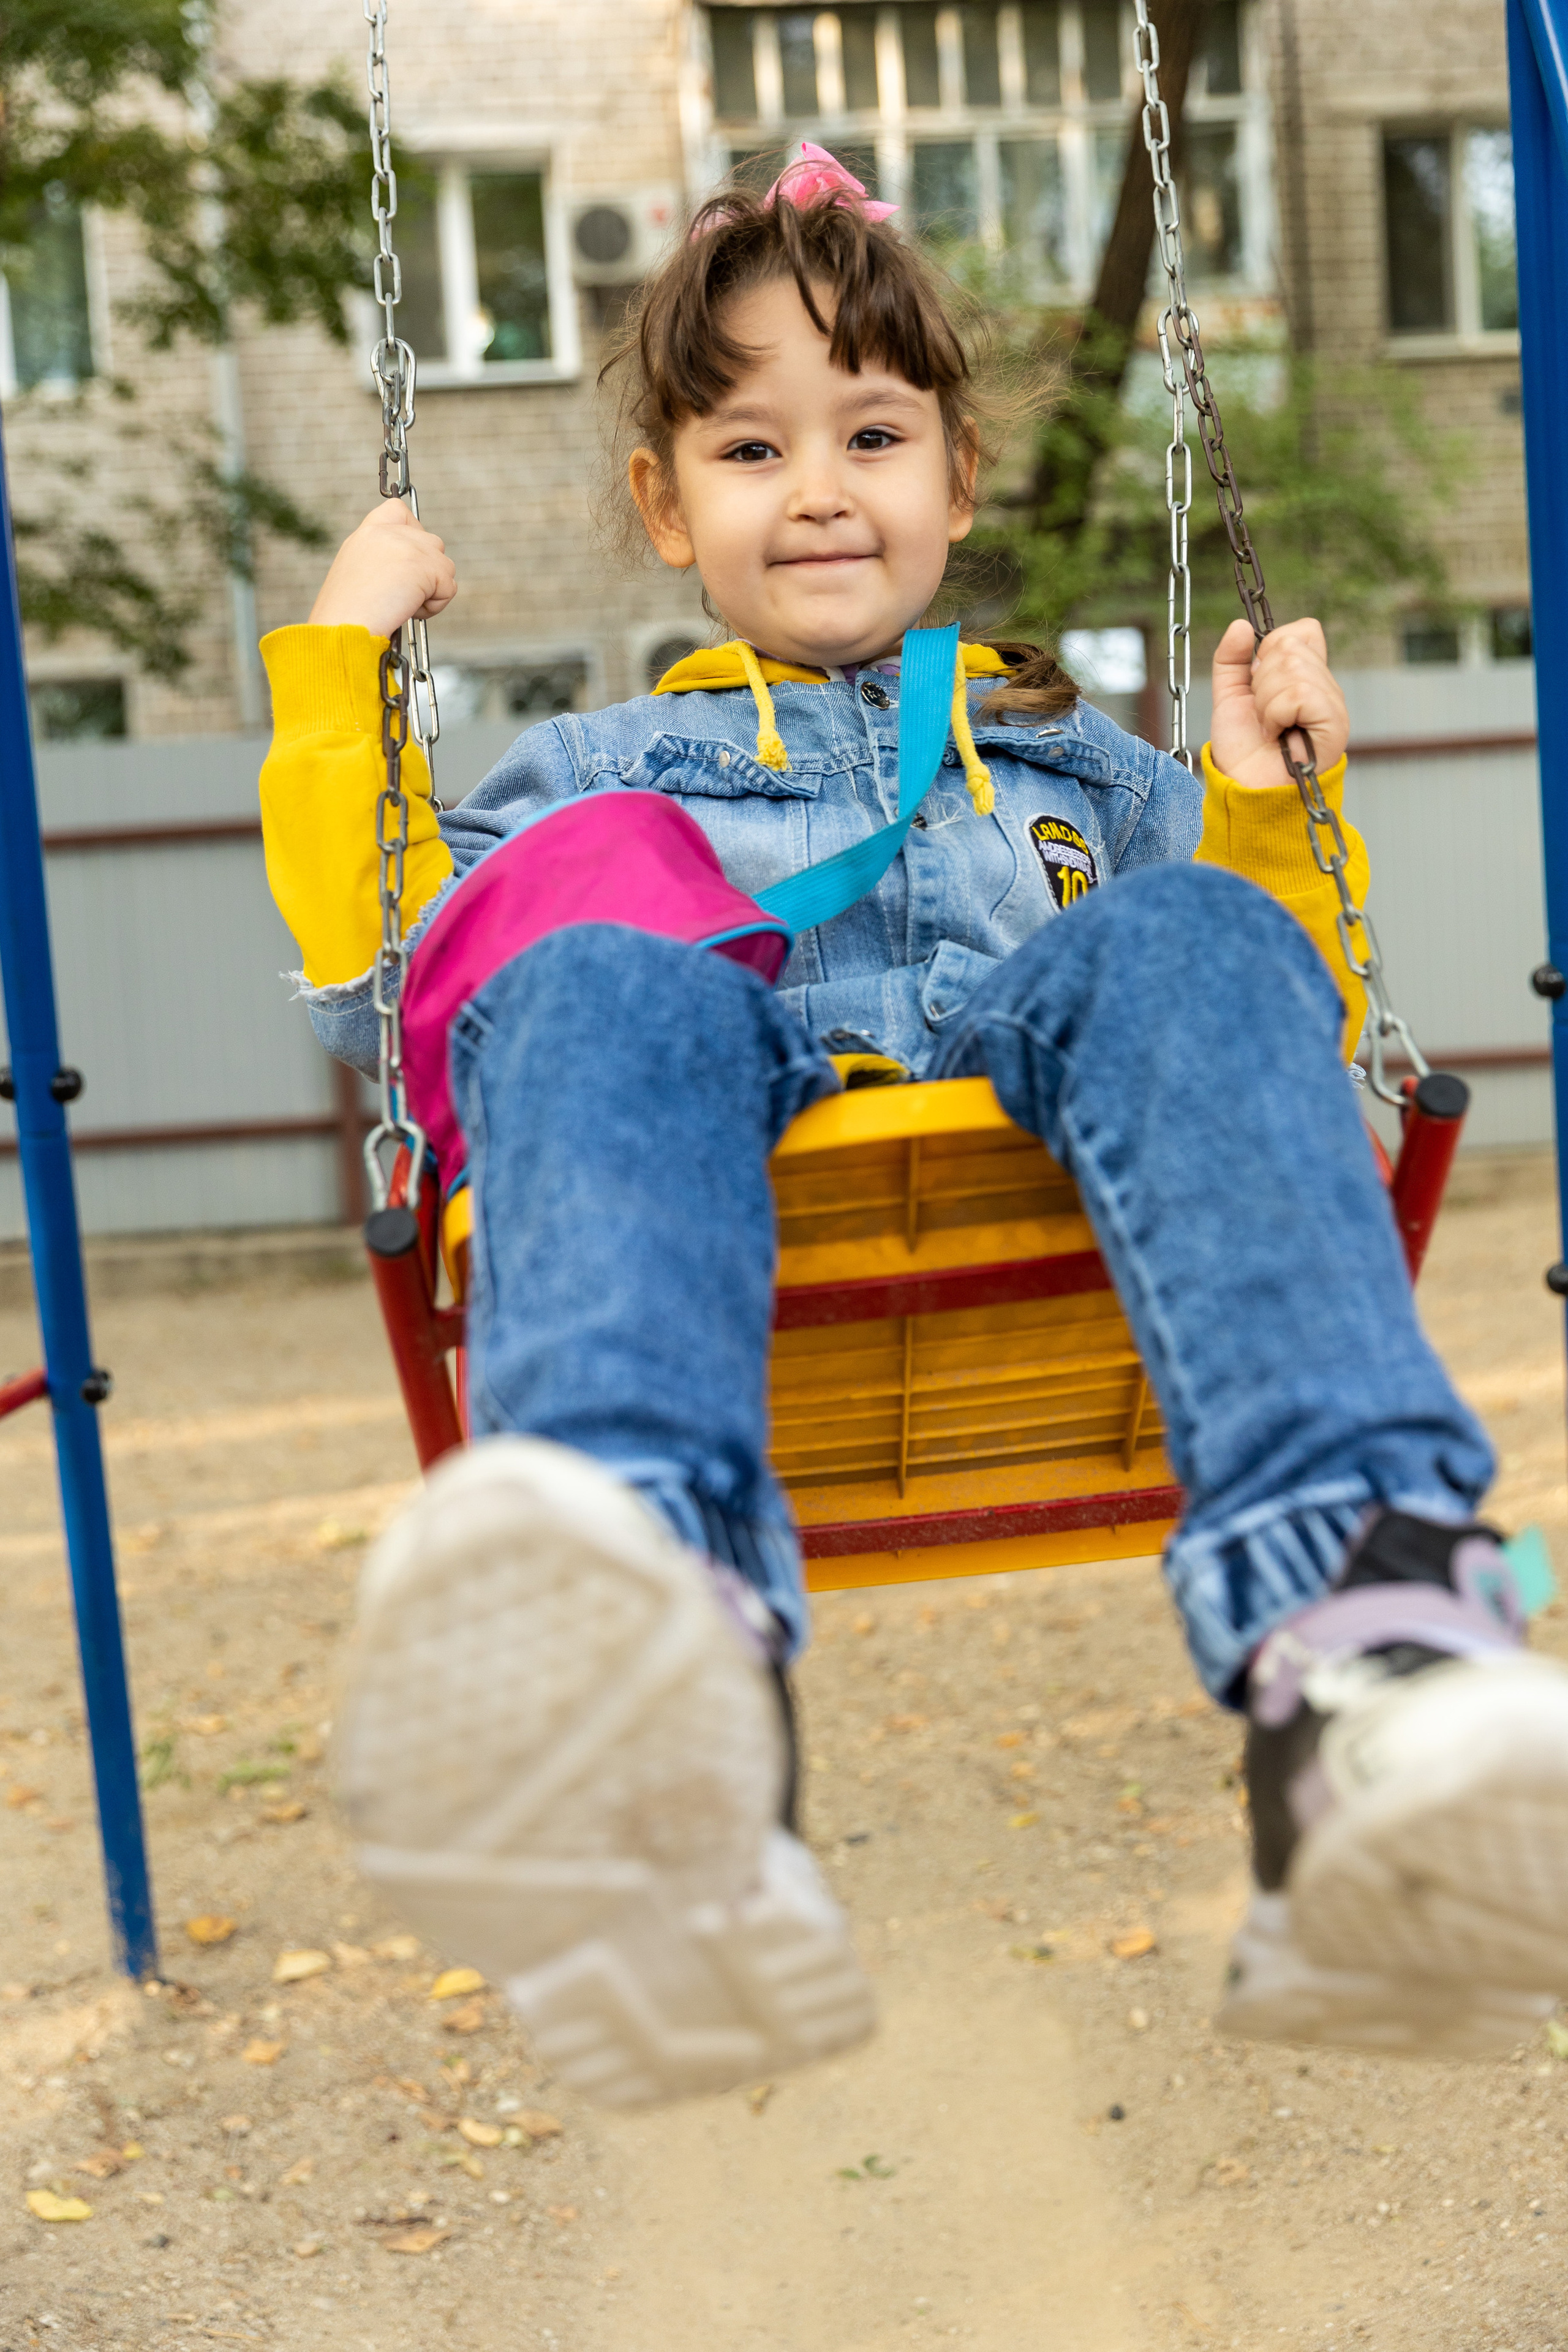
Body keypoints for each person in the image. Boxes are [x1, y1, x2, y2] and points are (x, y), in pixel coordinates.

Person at [257, 147, 1568, 2108]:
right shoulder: (590, 778)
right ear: (661, 503)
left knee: (1195, 926)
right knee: (591, 973)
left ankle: (1366, 1632)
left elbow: (1264, 1027)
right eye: (750, 448)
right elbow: (393, 966)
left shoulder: (1073, 759)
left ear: (957, 477)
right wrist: (346, 664)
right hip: (737, 1195)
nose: (818, 488)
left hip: (1047, 1206)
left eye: (871, 432)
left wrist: (1251, 806)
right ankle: (652, 1702)